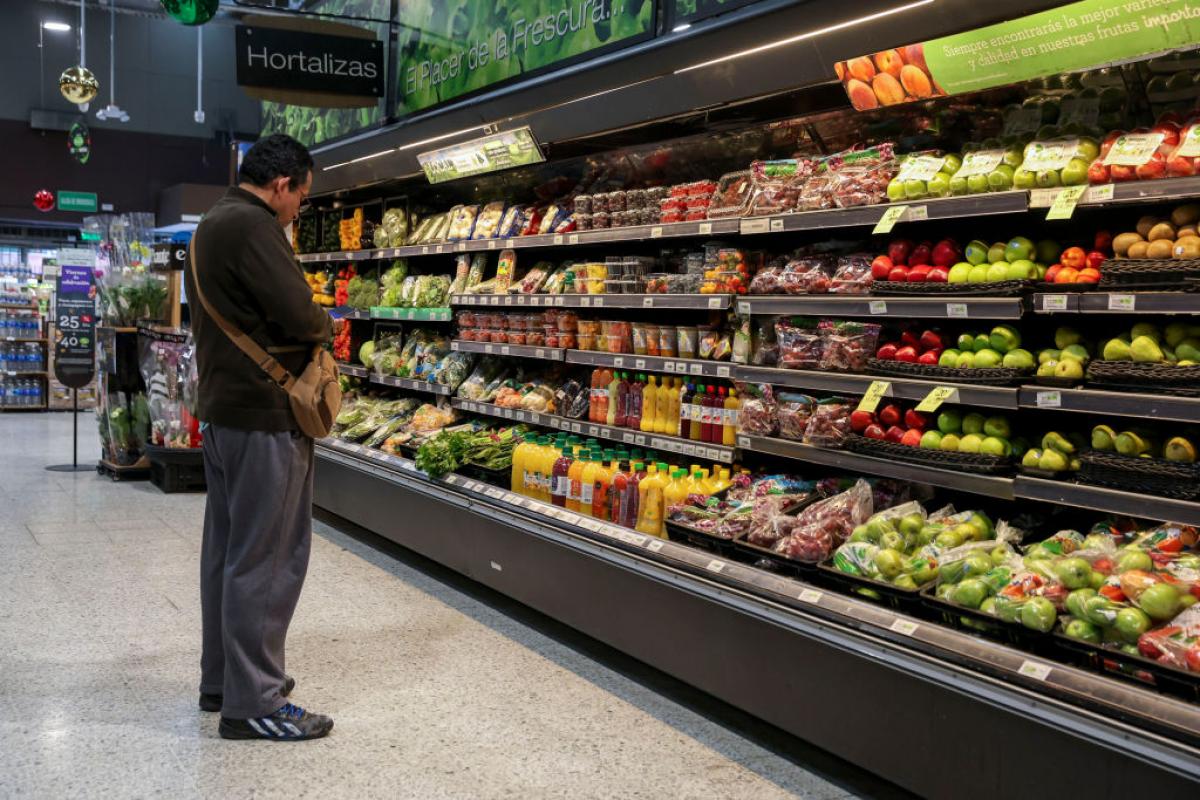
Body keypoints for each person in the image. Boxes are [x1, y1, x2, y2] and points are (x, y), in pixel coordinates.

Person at [184, 134, 334, 741]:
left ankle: (223, 680)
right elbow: (300, 314)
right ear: (282, 185)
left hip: (223, 413)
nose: (300, 207)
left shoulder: (210, 223)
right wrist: (326, 321)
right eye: (303, 195)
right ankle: (256, 703)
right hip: (264, 417)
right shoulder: (254, 228)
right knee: (269, 558)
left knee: (227, 553)